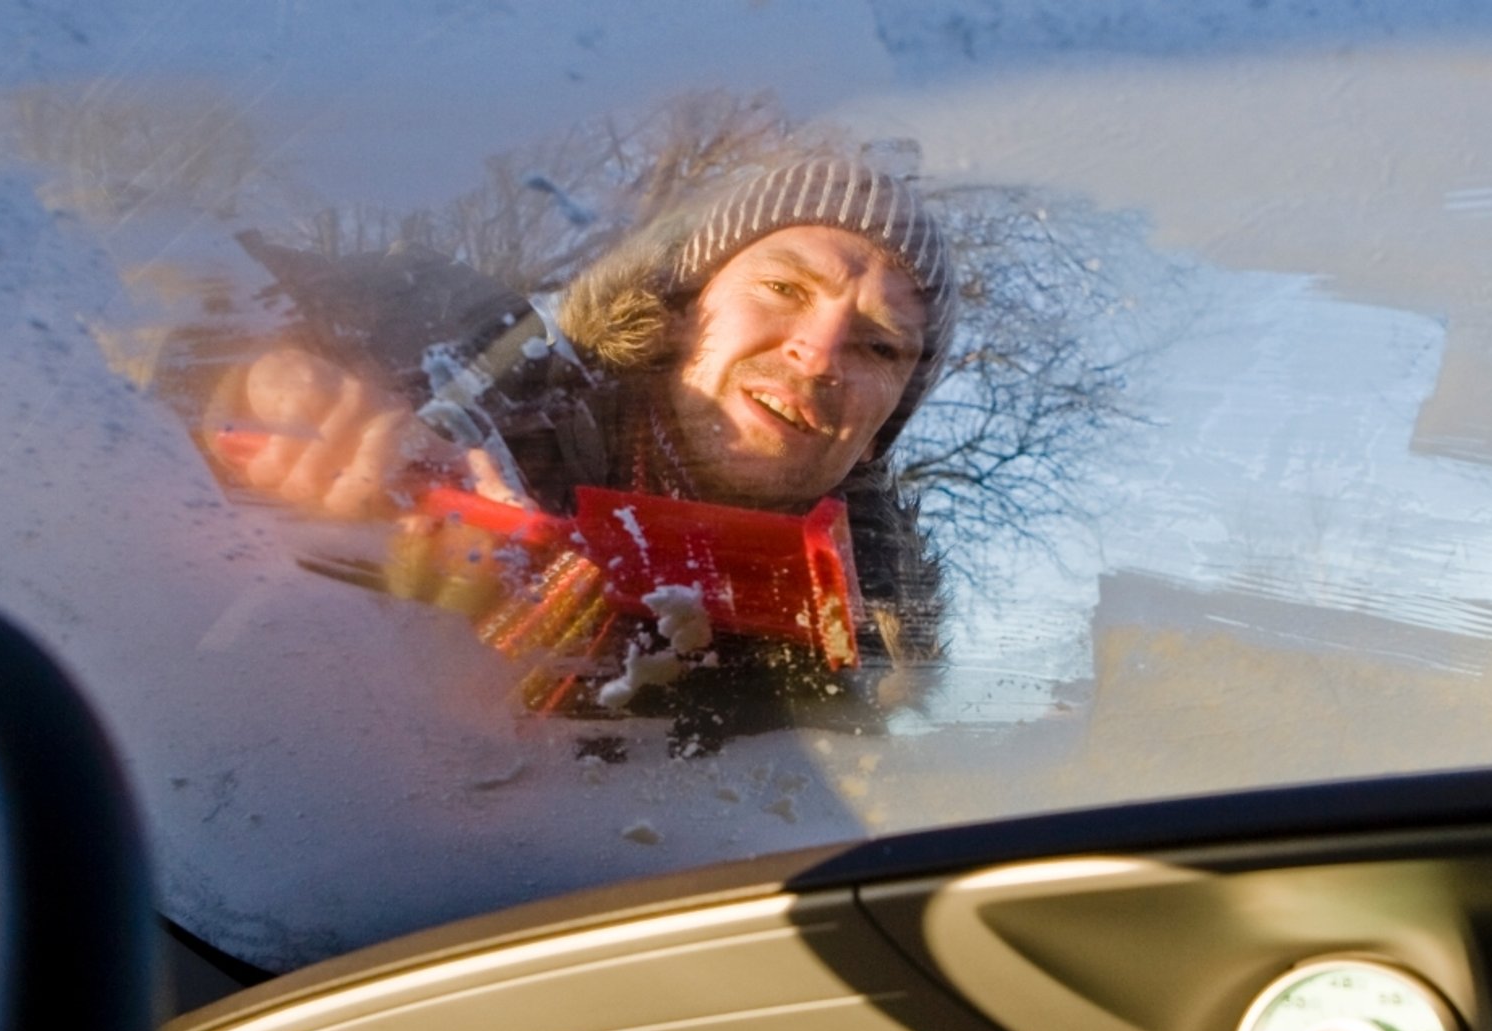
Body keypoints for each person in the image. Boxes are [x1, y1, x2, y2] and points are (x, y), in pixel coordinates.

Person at [220, 152, 955, 744]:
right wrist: (248, 376)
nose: (820, 354)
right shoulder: (471, 360)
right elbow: (163, 299)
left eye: (881, 346)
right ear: (679, 314)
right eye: (784, 287)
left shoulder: (847, 683)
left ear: (876, 437)